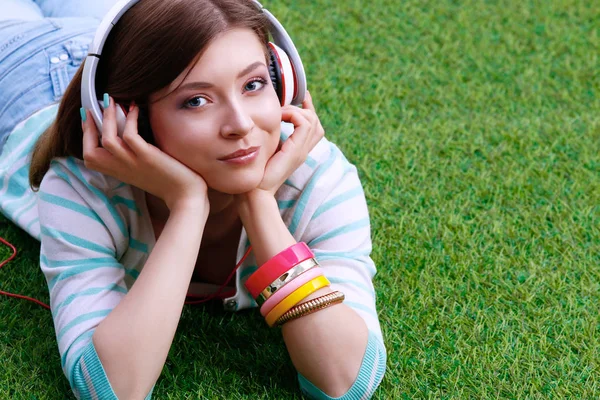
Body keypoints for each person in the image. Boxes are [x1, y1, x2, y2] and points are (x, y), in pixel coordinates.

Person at [0, 0, 387, 398]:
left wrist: (259, 203)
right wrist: (188, 205)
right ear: (137, 123)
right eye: (196, 101)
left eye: (253, 84)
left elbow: (346, 381)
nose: (241, 125)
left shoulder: (316, 177)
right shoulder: (84, 185)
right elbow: (112, 388)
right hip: (17, 72)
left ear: (282, 80)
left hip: (128, 38)